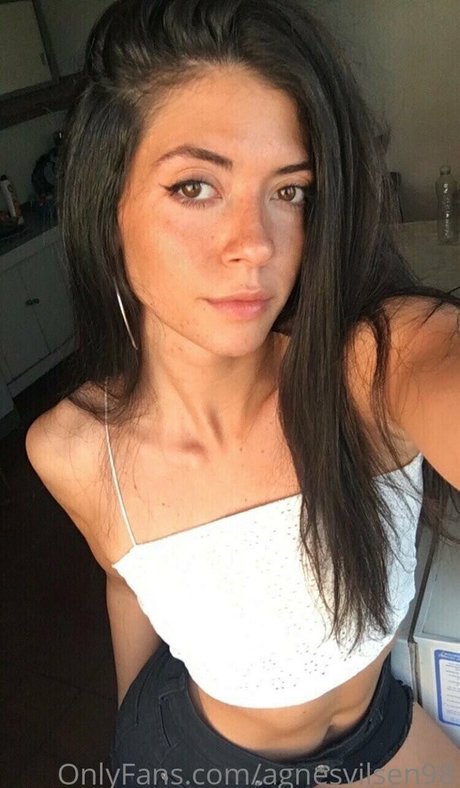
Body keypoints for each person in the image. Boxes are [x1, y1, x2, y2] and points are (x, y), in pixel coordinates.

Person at [25, 0, 460, 785]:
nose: (256, 244)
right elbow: (126, 580)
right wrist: (136, 735)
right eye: (195, 186)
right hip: (192, 758)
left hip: (376, 729)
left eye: (290, 192)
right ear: (106, 207)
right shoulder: (73, 449)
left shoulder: (366, 371)